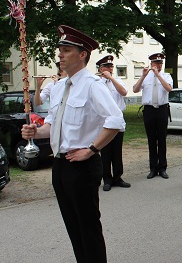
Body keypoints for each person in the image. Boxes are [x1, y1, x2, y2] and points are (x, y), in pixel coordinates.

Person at [21, 25, 126, 262]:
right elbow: (52, 127)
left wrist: (91, 150)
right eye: (59, 50)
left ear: (82, 55)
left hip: (82, 167)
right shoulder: (58, 87)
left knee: (88, 229)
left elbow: (115, 120)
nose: (60, 55)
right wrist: (34, 132)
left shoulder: (92, 85)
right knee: (73, 228)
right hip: (60, 166)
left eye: (66, 50)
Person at [133, 53, 173, 179]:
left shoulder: (166, 76)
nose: (158, 65)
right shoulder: (146, 76)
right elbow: (135, 89)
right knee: (151, 140)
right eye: (156, 63)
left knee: (162, 139)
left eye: (160, 63)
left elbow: (168, 89)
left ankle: (162, 168)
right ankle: (152, 168)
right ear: (151, 64)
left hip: (162, 109)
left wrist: (158, 75)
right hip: (149, 110)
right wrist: (143, 76)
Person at [96, 55, 131, 191]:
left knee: (117, 151)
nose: (110, 69)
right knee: (105, 152)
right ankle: (107, 179)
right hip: (103, 121)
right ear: (101, 68)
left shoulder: (117, 80)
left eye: (112, 67)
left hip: (117, 120)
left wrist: (111, 78)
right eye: (107, 66)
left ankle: (118, 177)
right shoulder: (96, 82)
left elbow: (123, 92)